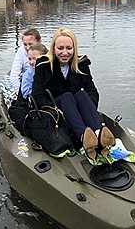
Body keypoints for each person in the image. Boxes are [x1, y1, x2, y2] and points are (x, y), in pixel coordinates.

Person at [32, 27, 115, 164]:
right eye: (60, 48)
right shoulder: (43, 65)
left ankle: (98, 134)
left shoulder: (81, 64)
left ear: (74, 48)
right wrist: (56, 111)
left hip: (76, 107)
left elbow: (92, 90)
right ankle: (84, 138)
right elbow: (37, 96)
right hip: (55, 109)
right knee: (67, 97)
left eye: (69, 48)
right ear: (54, 48)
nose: (65, 53)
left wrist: (87, 108)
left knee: (82, 95)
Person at [10, 28, 42, 94]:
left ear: (39, 42)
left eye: (31, 44)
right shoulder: (21, 52)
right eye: (25, 44)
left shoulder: (46, 50)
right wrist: (19, 94)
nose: (27, 48)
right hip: (27, 81)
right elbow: (14, 75)